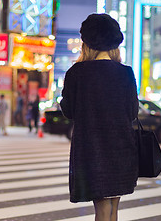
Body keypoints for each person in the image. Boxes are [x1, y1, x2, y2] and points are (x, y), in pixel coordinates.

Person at [60, 13, 139, 221]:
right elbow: (132, 112)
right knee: (113, 209)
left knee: (102, 210)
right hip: (121, 148)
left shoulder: (77, 73)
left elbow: (68, 111)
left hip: (91, 149)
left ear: (87, 44)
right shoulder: (126, 73)